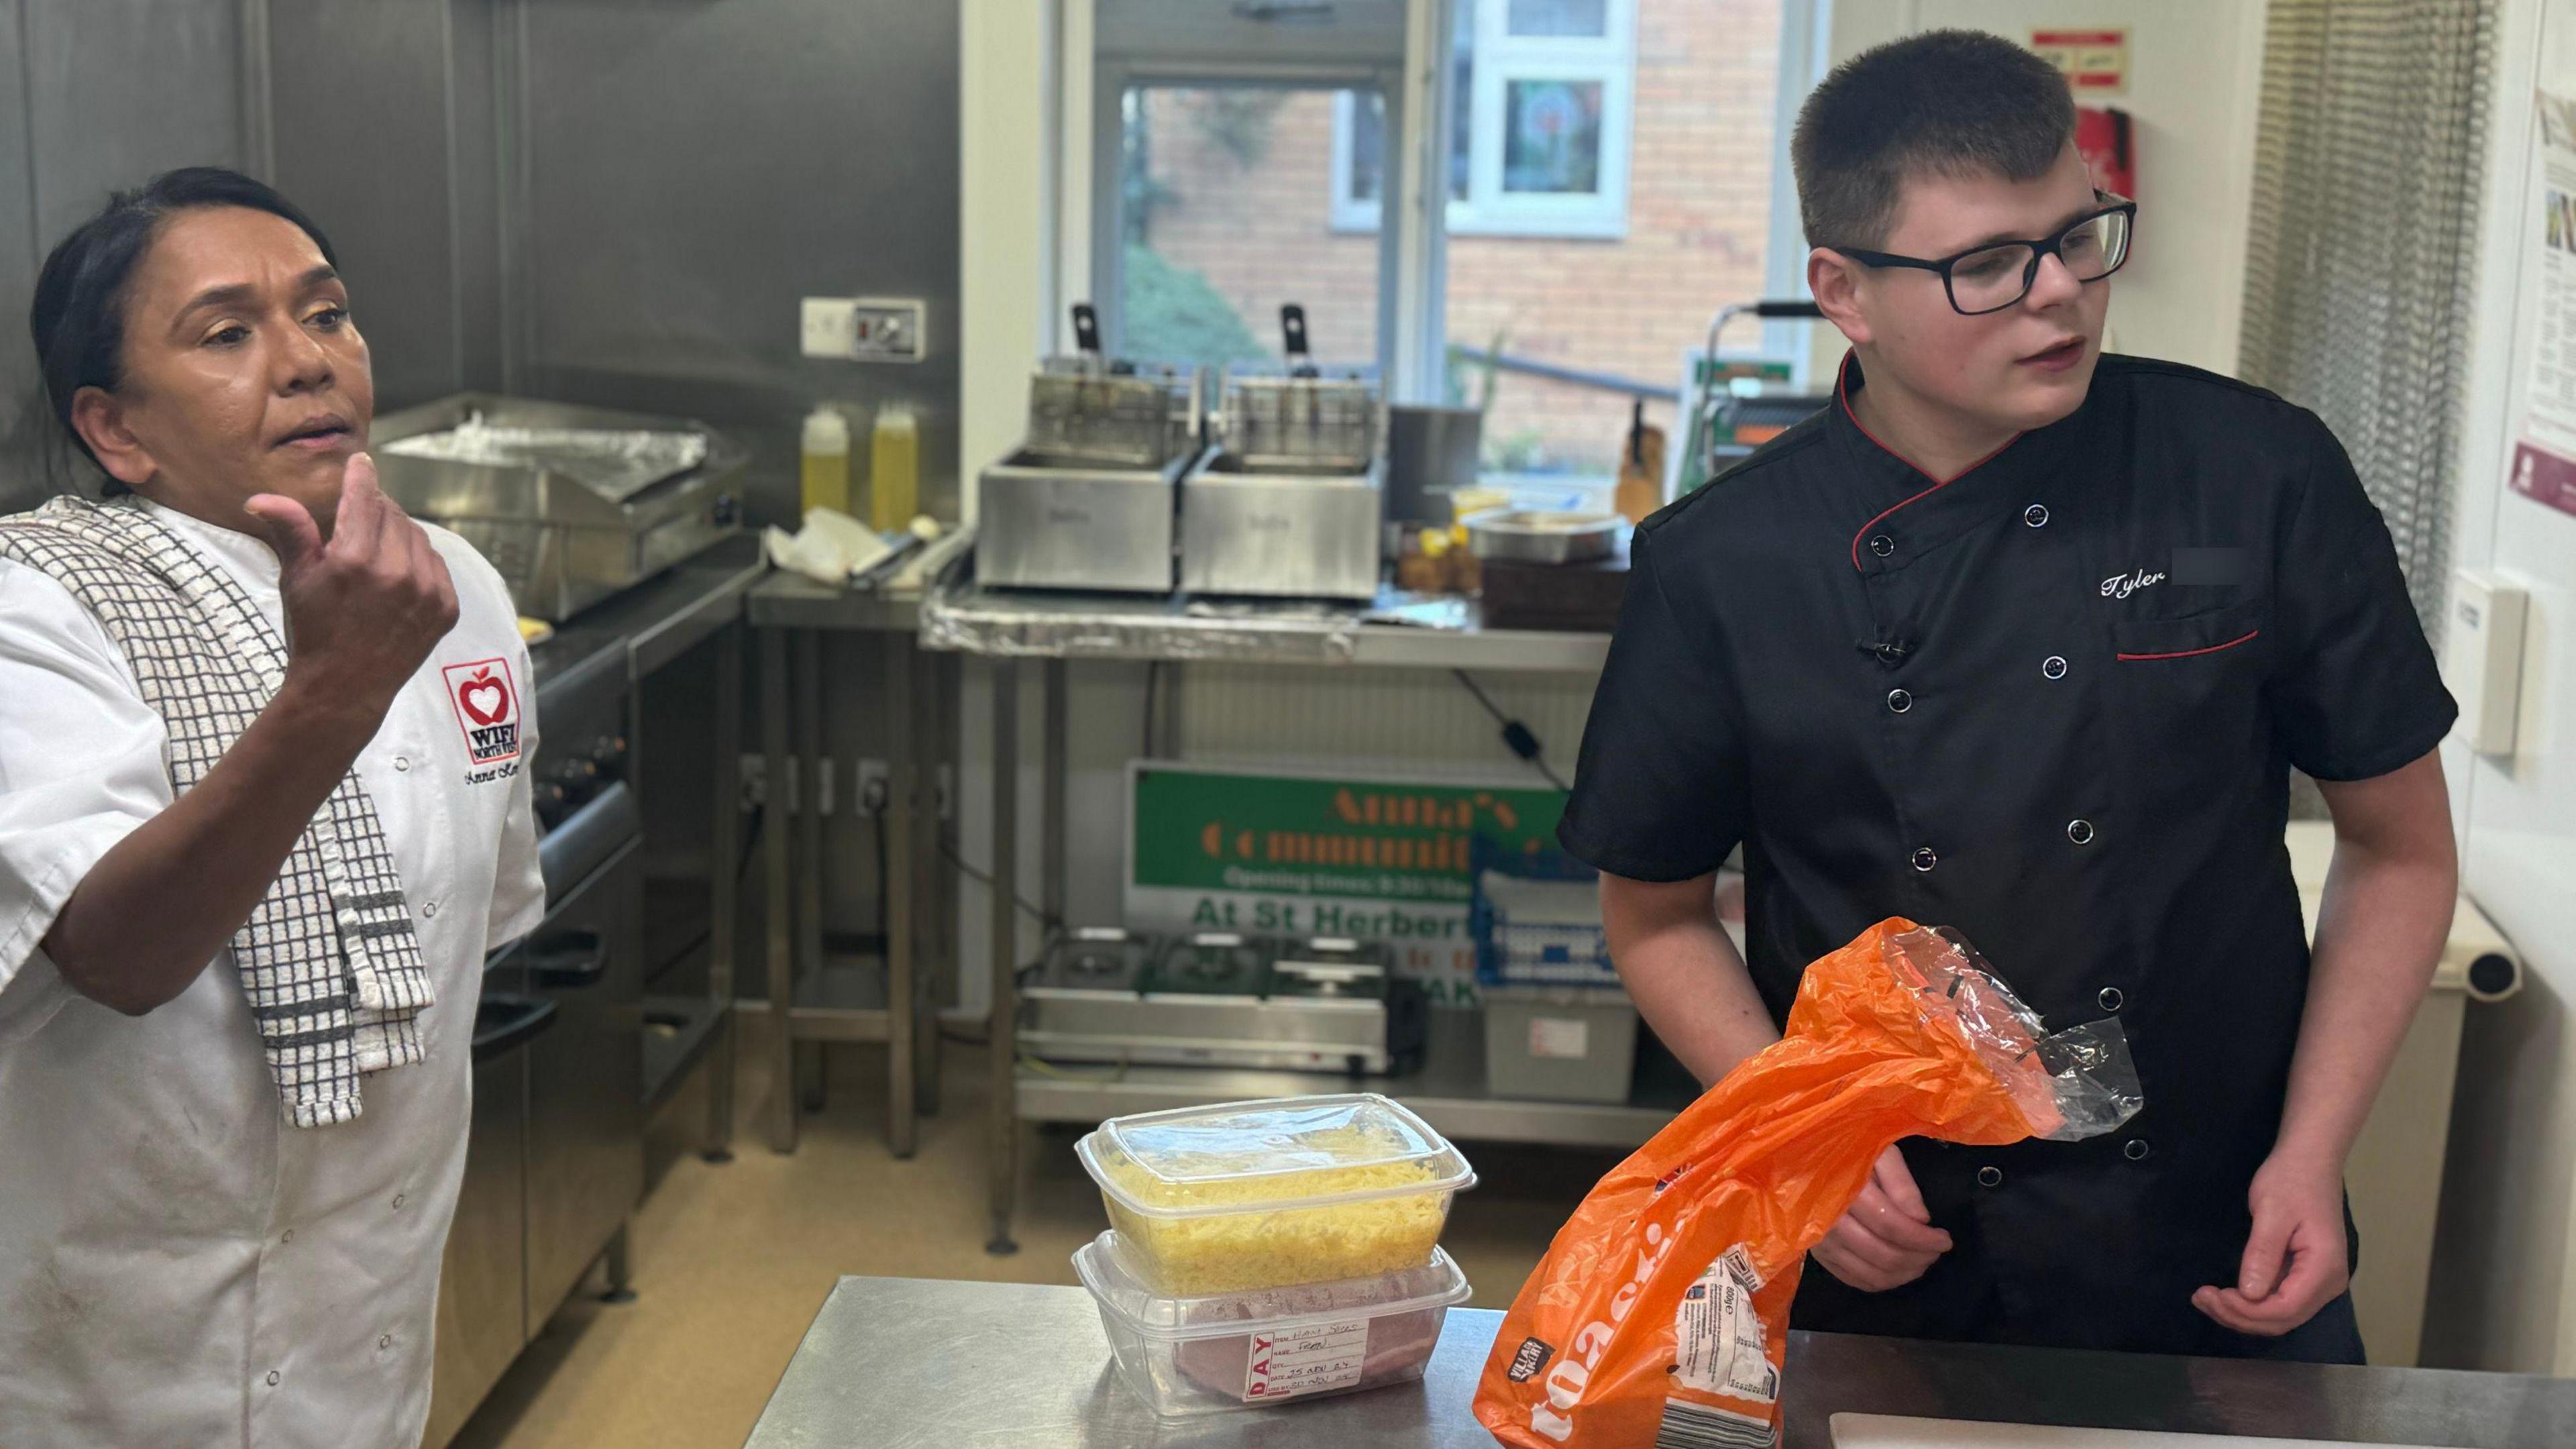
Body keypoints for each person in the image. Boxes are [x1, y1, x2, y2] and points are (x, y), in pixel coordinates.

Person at [1558, 31, 2459, 1362]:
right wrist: (1790, 1130)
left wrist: (2312, 1154)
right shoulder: (1726, 561)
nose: (2062, 297)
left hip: (2217, 1222)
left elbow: (2400, 850)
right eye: (1986, 265)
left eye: (2079, 234)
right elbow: (1655, 914)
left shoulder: (2252, 476)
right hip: (1884, 1227)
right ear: (1843, 292)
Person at [0, 167, 543, 1445]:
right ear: (115, 431)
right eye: (228, 332)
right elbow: (115, 953)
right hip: (102, 1345)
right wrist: (333, 693)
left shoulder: (450, 583)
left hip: (369, 1309)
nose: (306, 362)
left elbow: (488, 921)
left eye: (328, 313)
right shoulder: (34, 611)